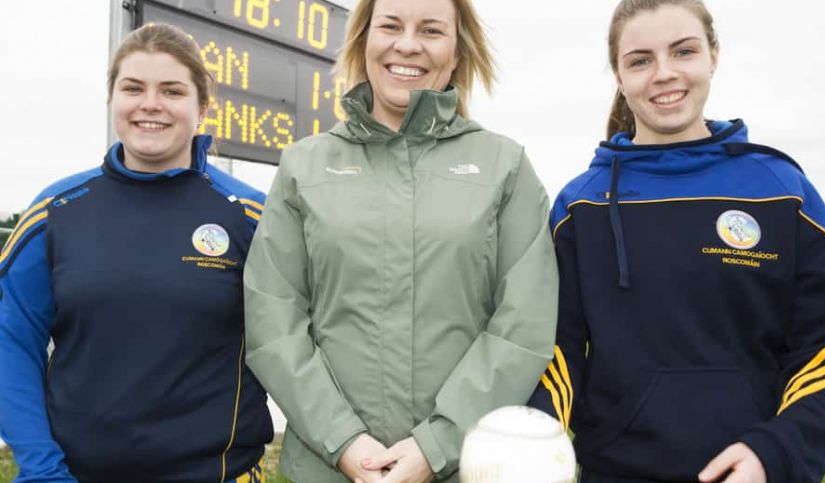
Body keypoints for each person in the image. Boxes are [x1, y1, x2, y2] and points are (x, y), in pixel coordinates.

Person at [528, 1, 825, 482]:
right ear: (619, 77)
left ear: (713, 57)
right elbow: (552, 349)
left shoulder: (782, 190)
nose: (664, 74)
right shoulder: (581, 206)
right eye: (640, 60)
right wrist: (535, 434)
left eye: (683, 52)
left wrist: (775, 451)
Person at [242, 0, 559, 481]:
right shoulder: (302, 166)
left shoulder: (505, 166)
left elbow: (523, 325)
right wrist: (343, 442)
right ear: (364, 41)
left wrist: (438, 445)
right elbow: (274, 319)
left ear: (456, 52)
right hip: (327, 470)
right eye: (390, 26)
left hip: (468, 468)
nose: (407, 44)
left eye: (431, 30)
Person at [0, 23, 273, 482]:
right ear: (113, 101)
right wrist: (43, 469)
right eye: (133, 88)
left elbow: (297, 342)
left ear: (202, 108)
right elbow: (10, 340)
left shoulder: (250, 216)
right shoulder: (57, 210)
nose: (151, 104)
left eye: (172, 90)